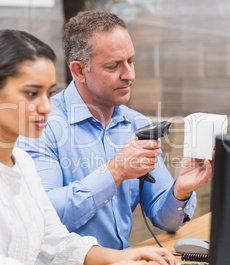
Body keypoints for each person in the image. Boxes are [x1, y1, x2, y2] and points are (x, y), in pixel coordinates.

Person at [0, 29, 180, 265]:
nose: (46, 106)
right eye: (32, 94)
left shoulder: (21, 162)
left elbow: (56, 243)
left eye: (49, 93)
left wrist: (123, 256)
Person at [17, 11, 214, 250]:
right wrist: (116, 171)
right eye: (114, 66)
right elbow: (45, 218)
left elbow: (167, 221)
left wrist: (181, 190)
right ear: (79, 71)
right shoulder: (42, 125)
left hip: (123, 262)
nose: (129, 75)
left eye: (130, 61)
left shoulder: (136, 125)